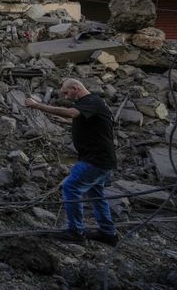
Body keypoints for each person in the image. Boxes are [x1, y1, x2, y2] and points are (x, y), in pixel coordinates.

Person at [25, 78, 118, 245]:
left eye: (67, 93)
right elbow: (75, 118)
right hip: (102, 159)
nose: (66, 97)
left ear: (76, 88)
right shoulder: (92, 103)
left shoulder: (91, 101)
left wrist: (38, 105)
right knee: (96, 193)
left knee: (71, 187)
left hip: (95, 159)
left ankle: (76, 231)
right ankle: (108, 233)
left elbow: (71, 113)